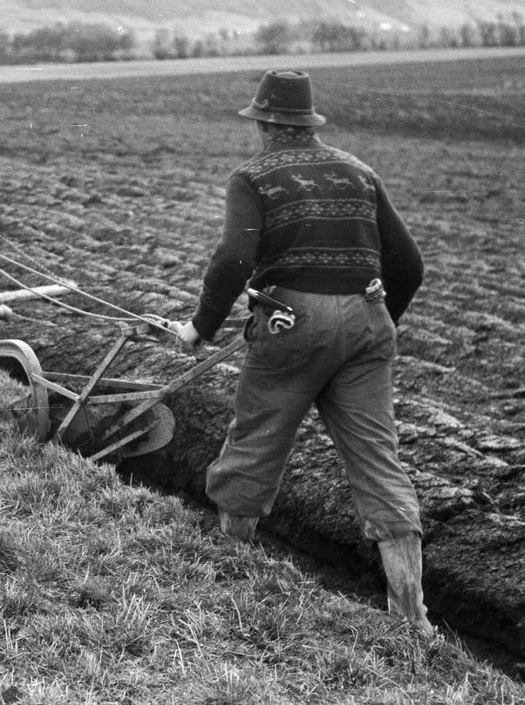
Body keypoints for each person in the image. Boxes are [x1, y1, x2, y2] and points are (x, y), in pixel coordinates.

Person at [174, 69, 434, 637]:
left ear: (264, 123)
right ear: (309, 122)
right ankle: (412, 618)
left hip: (291, 326)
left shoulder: (253, 177)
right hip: (369, 325)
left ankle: (231, 576)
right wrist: (371, 325)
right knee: (379, 462)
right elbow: (410, 267)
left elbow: (233, 261)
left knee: (255, 443)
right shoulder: (358, 171)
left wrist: (200, 327)